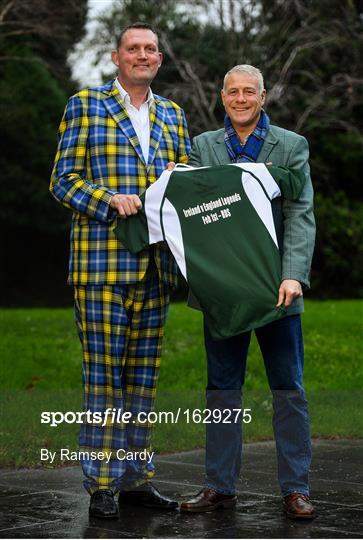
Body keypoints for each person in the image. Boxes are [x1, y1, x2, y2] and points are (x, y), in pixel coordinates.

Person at [50, 23, 190, 519]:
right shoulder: (85, 106)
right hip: (102, 267)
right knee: (104, 381)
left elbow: (188, 184)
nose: (143, 55)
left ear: (159, 59)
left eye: (151, 49)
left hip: (155, 269)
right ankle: (101, 485)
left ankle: (135, 481)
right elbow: (62, 182)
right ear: (116, 57)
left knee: (142, 381)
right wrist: (110, 200)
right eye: (134, 48)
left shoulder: (173, 114)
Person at [179, 65, 316, 519]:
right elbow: (194, 216)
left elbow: (300, 214)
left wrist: (293, 275)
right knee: (221, 388)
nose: (241, 99)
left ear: (262, 98)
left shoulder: (291, 146)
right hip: (224, 293)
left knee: (288, 389)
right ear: (222, 97)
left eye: (249, 92)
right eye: (233, 92)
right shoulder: (203, 147)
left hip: (277, 289)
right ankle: (219, 485)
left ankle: (296, 488)